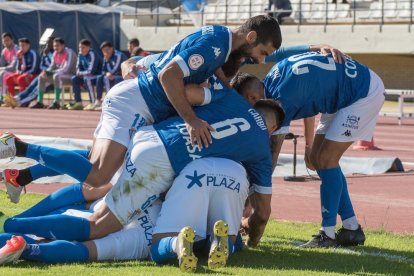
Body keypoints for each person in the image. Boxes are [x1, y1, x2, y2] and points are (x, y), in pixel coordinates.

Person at [0, 16, 282, 197]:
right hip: (136, 104)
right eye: (263, 53)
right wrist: (191, 120)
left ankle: (21, 175)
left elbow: (167, 60)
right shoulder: (217, 46)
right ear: (252, 37)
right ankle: (18, 147)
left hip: (137, 101)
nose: (259, 59)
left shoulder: (217, 42)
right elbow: (169, 75)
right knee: (99, 175)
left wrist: (136, 62)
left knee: (93, 163)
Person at [0, 91, 284, 254]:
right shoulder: (260, 148)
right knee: (98, 223)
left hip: (148, 134)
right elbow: (264, 211)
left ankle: (23, 176)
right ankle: (16, 227)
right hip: (161, 164)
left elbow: (185, 91)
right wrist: (252, 238)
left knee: (95, 179)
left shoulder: (231, 100)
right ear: (272, 128)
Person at [248, 52, 384, 248]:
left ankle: (327, 235)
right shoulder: (273, 79)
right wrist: (308, 146)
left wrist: (252, 202)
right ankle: (351, 228)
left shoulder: (278, 99)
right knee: (318, 159)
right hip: (341, 92)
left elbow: (271, 159)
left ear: (253, 96)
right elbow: (306, 103)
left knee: (327, 159)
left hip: (361, 92)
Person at [0, 183, 161, 264]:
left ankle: (11, 228)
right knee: (87, 251)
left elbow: (77, 193)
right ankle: (29, 249)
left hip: (135, 197)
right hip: (151, 228)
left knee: (88, 197)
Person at [150, 158, 248, 272]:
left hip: (193, 170)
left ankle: (176, 244)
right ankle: (217, 241)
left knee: (156, 246)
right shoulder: (253, 143)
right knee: (234, 241)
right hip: (234, 173)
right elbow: (261, 213)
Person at [3, 37, 55, 108]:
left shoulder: (54, 53)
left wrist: (48, 55)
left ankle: (20, 102)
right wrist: (20, 59)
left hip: (45, 76)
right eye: (46, 43)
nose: (47, 45)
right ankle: (14, 98)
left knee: (33, 88)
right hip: (42, 75)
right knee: (29, 87)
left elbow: (36, 68)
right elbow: (41, 65)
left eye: (49, 43)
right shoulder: (45, 52)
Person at [31, 37, 77, 109]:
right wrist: (46, 72)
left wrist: (51, 72)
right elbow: (52, 66)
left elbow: (66, 68)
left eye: (57, 45)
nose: (55, 48)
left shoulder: (69, 52)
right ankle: (40, 102)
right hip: (59, 76)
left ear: (63, 45)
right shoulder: (55, 53)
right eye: (54, 46)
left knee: (56, 76)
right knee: (41, 76)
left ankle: (56, 102)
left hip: (72, 77)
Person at [67, 39, 102, 111]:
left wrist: (81, 73)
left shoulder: (92, 54)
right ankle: (79, 102)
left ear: (88, 47)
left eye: (83, 47)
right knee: (74, 78)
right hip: (86, 76)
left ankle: (92, 103)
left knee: (87, 78)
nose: (81, 49)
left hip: (97, 76)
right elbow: (78, 69)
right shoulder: (80, 54)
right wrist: (80, 73)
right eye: (80, 47)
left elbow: (91, 70)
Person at [91, 41, 127, 111]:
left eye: (107, 49)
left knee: (106, 78)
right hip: (112, 76)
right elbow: (103, 70)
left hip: (123, 76)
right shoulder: (106, 56)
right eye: (103, 50)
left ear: (111, 49)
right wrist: (107, 73)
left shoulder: (118, 55)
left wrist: (107, 63)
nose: (105, 52)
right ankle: (98, 100)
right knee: (99, 77)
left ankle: (109, 101)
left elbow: (115, 70)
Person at [0, 32, 18, 105]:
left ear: (12, 40)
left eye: (7, 40)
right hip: (9, 72)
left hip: (17, 72)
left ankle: (3, 98)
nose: (6, 42)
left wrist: (1, 69)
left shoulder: (16, 49)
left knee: (3, 74)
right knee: (2, 73)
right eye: (4, 41)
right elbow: (1, 64)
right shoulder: (4, 51)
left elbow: (13, 67)